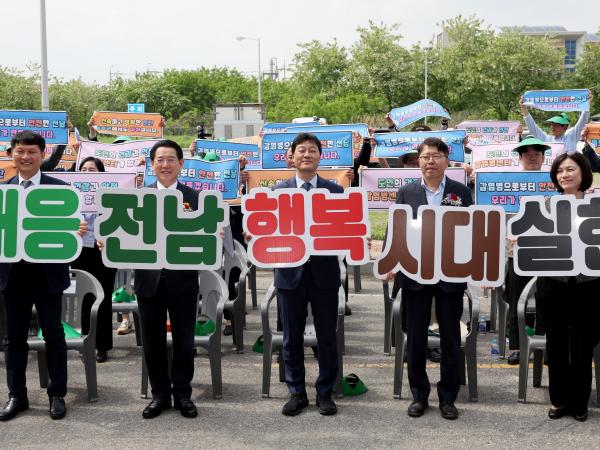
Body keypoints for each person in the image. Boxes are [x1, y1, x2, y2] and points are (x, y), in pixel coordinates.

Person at [0, 131, 87, 421]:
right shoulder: (4, 192)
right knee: (13, 338)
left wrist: (78, 229)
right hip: (12, 275)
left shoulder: (60, 190)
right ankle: (17, 395)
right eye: (20, 151)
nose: (25, 157)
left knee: (53, 333)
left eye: (32, 152)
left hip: (48, 273)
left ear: (42, 154)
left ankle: (57, 394)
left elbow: (75, 227)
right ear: (12, 153)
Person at [386, 137, 472, 420]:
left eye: (436, 156)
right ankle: (419, 395)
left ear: (447, 160)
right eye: (425, 157)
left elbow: (472, 232)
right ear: (418, 161)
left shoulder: (461, 192)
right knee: (416, 338)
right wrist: (390, 263)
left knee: (450, 338)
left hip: (449, 275)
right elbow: (395, 229)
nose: (430, 161)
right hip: (415, 276)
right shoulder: (407, 192)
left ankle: (448, 397)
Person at [262, 132, 343, 416]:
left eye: (312, 151)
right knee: (291, 337)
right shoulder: (277, 193)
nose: (307, 155)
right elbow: (267, 232)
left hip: (324, 275)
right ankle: (297, 392)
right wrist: (256, 234)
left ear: (320, 157)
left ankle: (325, 392)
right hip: (289, 275)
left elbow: (345, 231)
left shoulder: (335, 192)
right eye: (302, 151)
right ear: (291, 157)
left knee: (327, 338)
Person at [133, 140, 200, 419]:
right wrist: (109, 243)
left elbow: (207, 240)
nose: (165, 165)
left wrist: (215, 237)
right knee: (152, 341)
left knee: (185, 340)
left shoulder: (196, 198)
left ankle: (182, 394)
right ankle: (159, 394)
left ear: (181, 164)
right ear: (152, 164)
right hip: (149, 282)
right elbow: (128, 236)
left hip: (183, 281)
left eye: (171, 159)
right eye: (160, 160)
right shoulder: (138, 198)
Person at [537, 152, 600, 421]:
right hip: (554, 286)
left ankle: (580, 402)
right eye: (560, 171)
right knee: (557, 344)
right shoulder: (544, 206)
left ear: (583, 172)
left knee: (584, 346)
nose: (565, 175)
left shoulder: (596, 205)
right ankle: (559, 400)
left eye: (570, 169)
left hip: (589, 287)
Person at [505, 136, 549, 365]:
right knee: (516, 300)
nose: (532, 158)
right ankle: (517, 346)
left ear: (543, 158)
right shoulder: (508, 182)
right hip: (517, 252)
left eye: (537, 155)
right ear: (520, 158)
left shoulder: (554, 182)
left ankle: (545, 345)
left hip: (550, 252)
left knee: (547, 300)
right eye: (527, 155)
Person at [69, 157, 117, 363]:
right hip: (81, 250)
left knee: (103, 298)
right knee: (86, 297)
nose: (87, 171)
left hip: (104, 250)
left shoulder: (110, 194)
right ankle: (86, 342)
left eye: (92, 169)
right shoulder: (71, 194)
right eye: (84, 169)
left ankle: (103, 346)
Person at [519, 91, 592, 154]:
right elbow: (533, 127)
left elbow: (582, 121)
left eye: (556, 125)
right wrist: (524, 109)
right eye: (551, 125)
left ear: (565, 127)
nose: (552, 127)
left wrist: (587, 104)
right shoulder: (547, 139)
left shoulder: (572, 136)